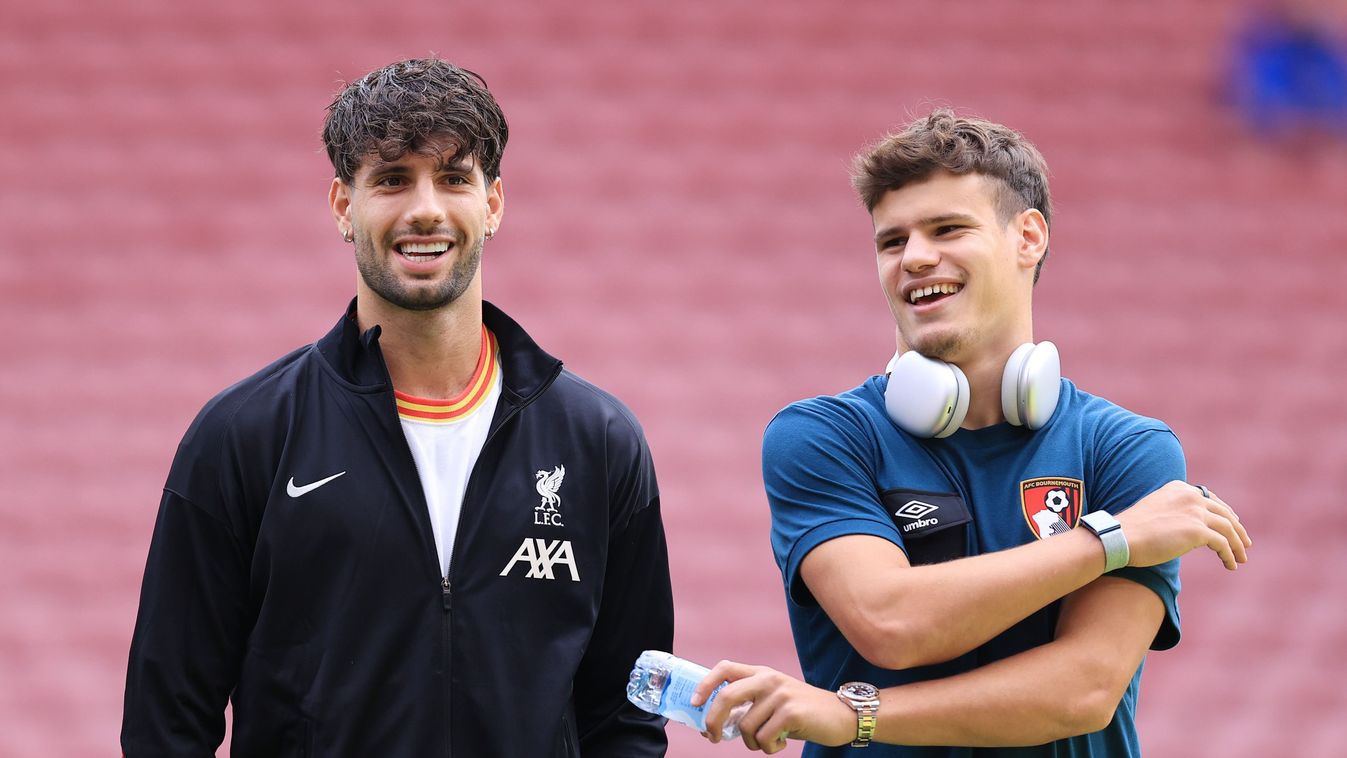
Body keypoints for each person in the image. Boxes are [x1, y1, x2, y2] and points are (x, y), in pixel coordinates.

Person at [121, 58, 674, 757]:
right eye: (391, 179)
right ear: (343, 208)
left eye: (452, 179)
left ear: (493, 204)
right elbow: (166, 720)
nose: (425, 209)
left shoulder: (597, 440)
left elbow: (623, 715)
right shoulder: (243, 435)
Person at [692, 110, 1252, 755]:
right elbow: (892, 619)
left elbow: (1084, 690)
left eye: (948, 229)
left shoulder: (1128, 448)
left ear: (1029, 238)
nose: (916, 258)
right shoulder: (822, 436)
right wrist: (1114, 539)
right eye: (892, 241)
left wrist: (853, 715)